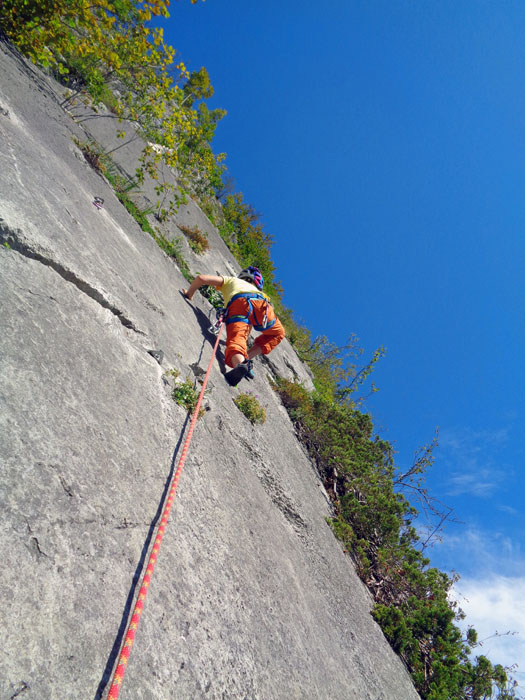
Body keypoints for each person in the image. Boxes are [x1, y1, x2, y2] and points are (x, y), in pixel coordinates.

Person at [182, 266, 285, 386]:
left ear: (242, 277)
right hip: (263, 306)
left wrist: (189, 294)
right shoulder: (259, 291)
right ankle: (245, 360)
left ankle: (240, 364)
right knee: (278, 334)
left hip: (240, 303)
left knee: (237, 340)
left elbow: (201, 278)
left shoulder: (232, 280)